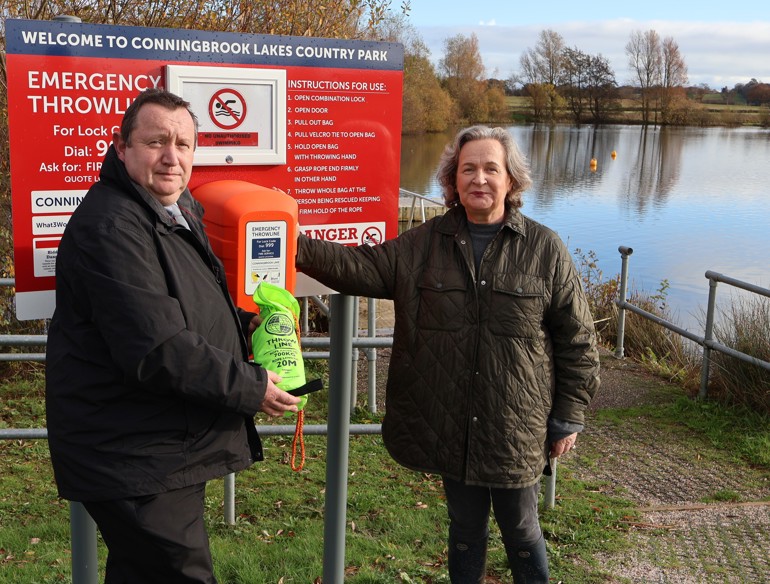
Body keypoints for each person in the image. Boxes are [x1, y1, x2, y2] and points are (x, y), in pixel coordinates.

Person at [295, 125, 600, 583]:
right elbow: (358, 266)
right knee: (464, 528)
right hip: (450, 421)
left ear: (511, 180)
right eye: (468, 169)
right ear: (452, 181)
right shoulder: (423, 243)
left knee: (520, 527)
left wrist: (568, 416)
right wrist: (287, 240)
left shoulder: (544, 249)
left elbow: (577, 340)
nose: (479, 178)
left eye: (490, 169)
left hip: (515, 423)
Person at [45, 88, 300, 584]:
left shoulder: (171, 208)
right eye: (157, 141)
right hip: (133, 450)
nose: (172, 156)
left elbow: (183, 302)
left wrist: (243, 326)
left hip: (157, 440)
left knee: (144, 571)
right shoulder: (113, 227)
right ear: (122, 148)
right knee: (178, 573)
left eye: (183, 144)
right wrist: (250, 387)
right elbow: (156, 347)